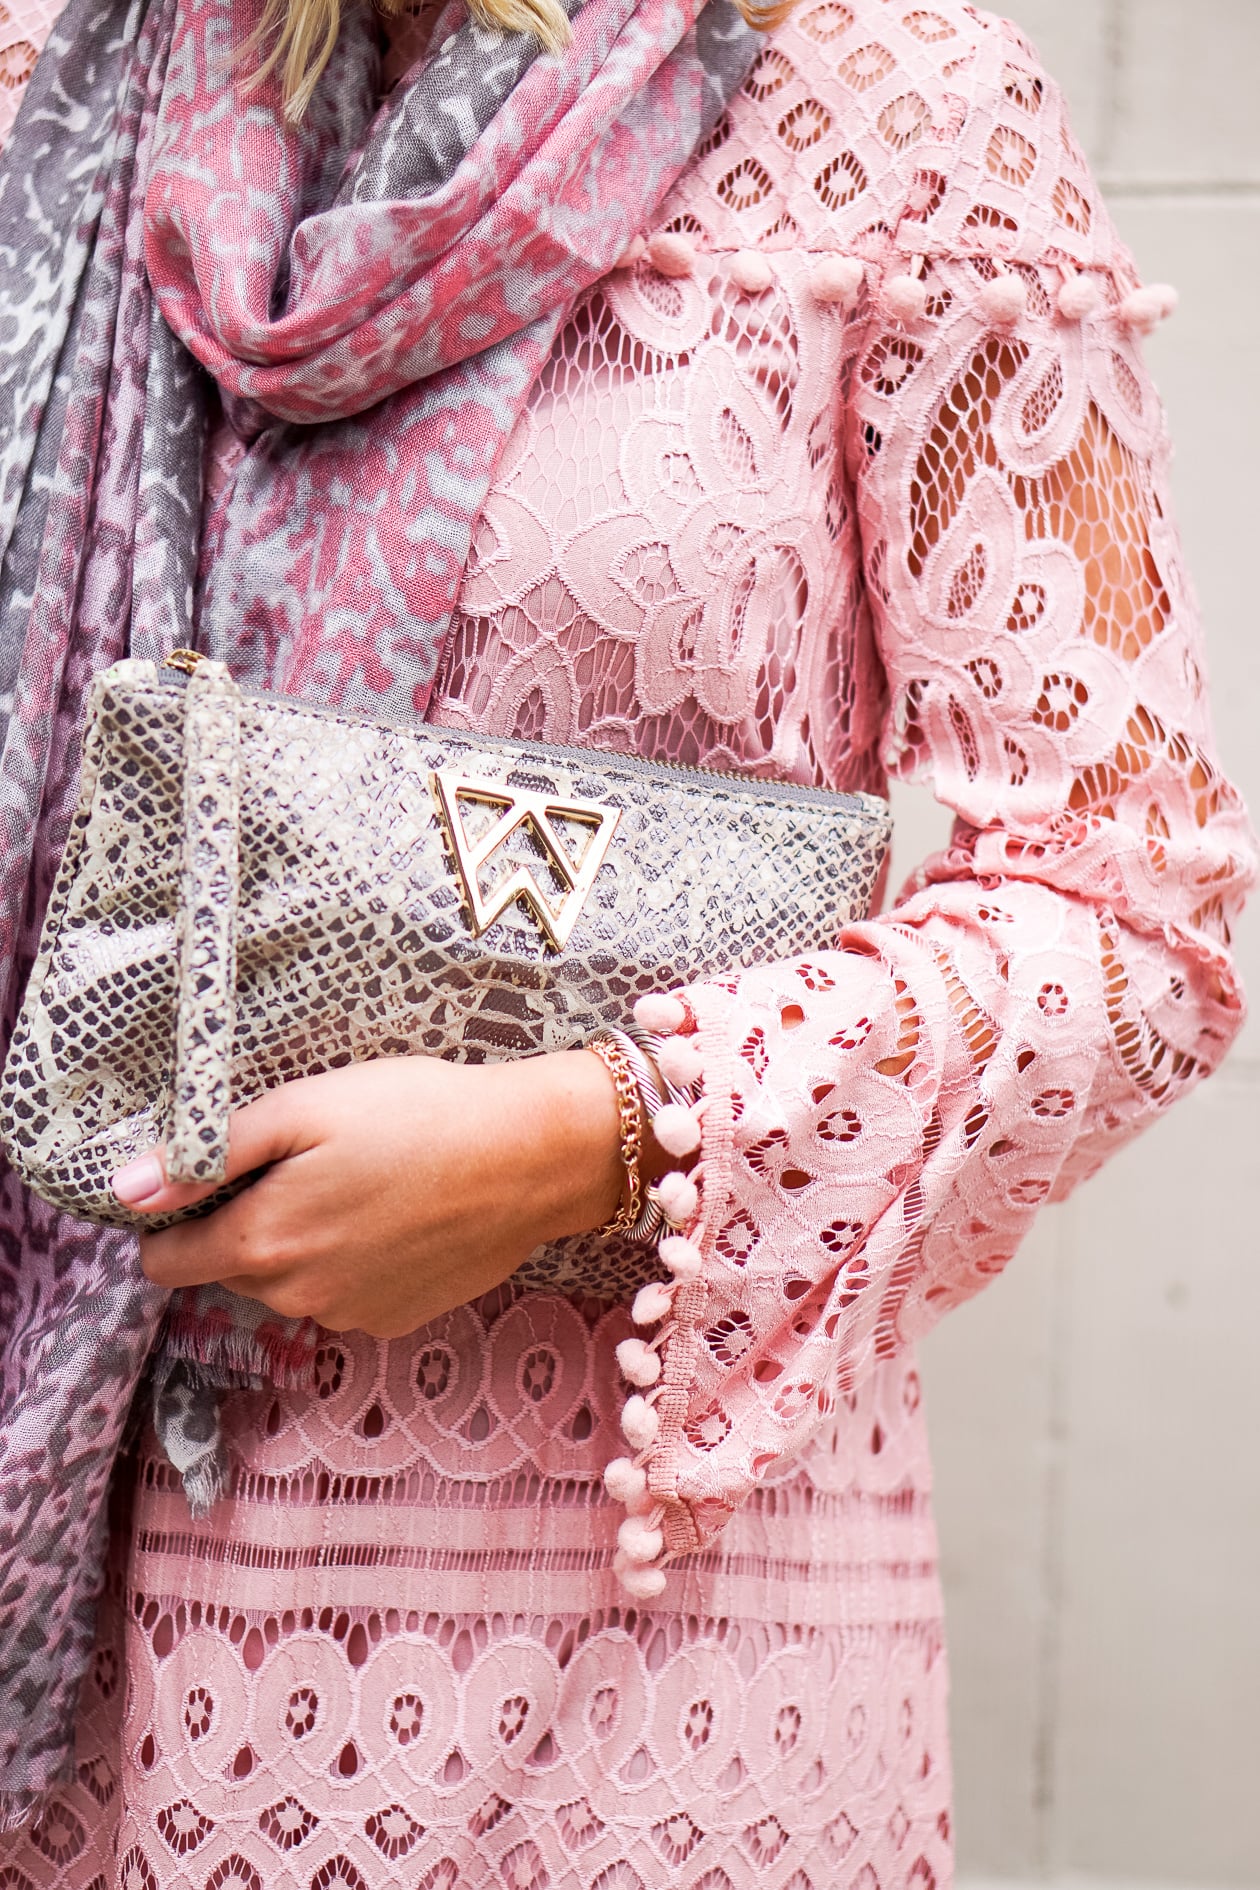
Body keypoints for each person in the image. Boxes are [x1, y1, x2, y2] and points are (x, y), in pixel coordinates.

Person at [0, 0, 1252, 1883]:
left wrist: (590, 1137)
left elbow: (1137, 908)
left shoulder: (890, 103)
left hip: (626, 1673)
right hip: (74, 1641)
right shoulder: (62, 85)